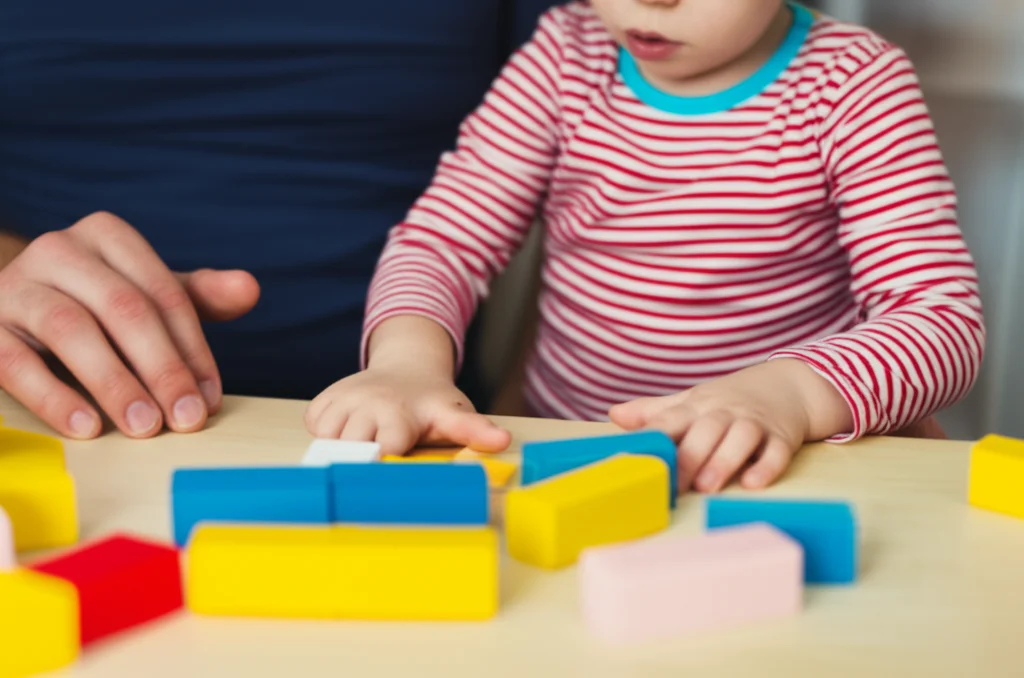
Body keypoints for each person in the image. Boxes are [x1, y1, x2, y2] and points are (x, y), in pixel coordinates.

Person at [308, 0, 985, 494]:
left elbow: (940, 320)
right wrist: (405, 364)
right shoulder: (564, 54)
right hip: (565, 459)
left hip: (774, 469)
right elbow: (443, 241)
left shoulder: (855, 82)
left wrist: (790, 397)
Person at [0, 0, 556, 439]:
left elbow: (596, 161)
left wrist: (524, 420)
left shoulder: (575, 42)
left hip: (413, 439)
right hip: (44, 416)